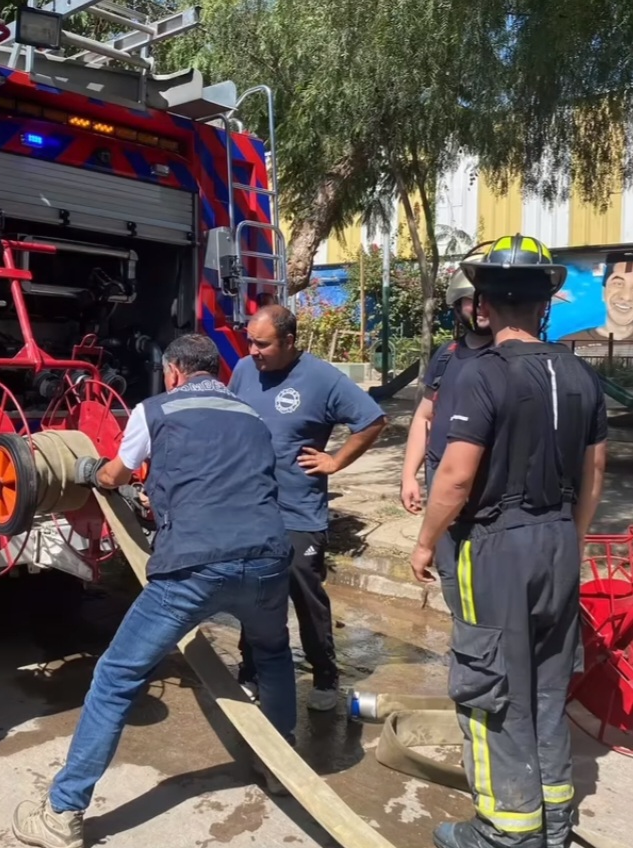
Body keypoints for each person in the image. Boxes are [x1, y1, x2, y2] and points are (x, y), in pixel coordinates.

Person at [12, 333, 296, 848]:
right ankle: (280, 769)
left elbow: (116, 473)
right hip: (270, 561)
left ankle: (63, 812)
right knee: (273, 656)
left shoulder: (156, 409)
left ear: (173, 372)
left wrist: (88, 471)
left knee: (117, 675)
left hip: (194, 566)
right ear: (218, 371)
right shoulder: (254, 416)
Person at [410, 234, 607, 848]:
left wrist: (425, 542)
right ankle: (553, 823)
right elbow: (593, 475)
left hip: (494, 547)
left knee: (490, 689)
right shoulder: (581, 375)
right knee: (547, 687)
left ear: (484, 305)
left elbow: (456, 476)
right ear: (543, 305)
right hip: (559, 541)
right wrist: (566, 542)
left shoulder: (480, 374)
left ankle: (505, 831)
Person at [229, 305, 386, 711]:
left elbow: (371, 420)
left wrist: (335, 460)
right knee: (253, 593)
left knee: (305, 594)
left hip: (298, 512)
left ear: (289, 342)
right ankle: (251, 670)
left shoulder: (322, 379)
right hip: (251, 510)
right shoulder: (245, 371)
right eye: (250, 341)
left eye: (262, 343)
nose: (253, 350)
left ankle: (324, 675)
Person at [401, 267, 494, 510]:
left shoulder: (513, 359)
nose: (481, 307)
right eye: (473, 300)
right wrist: (409, 476)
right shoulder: (446, 354)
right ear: (457, 304)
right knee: (443, 545)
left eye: (489, 299)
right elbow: (424, 416)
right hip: (439, 472)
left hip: (491, 481)